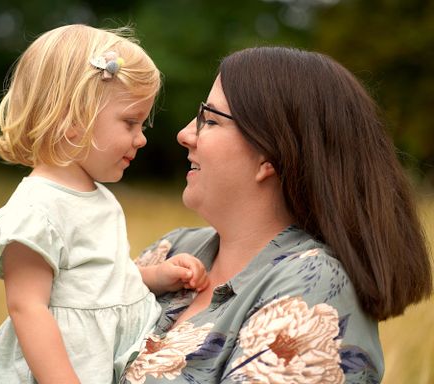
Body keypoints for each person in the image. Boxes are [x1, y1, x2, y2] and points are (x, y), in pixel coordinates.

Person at [122, 46, 433, 383]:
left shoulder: (314, 285)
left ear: (269, 154)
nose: (185, 135)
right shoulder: (174, 248)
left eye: (210, 120)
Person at [0, 24, 209, 384]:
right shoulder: (36, 209)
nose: (141, 140)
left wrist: (154, 278)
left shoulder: (98, 196)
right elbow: (27, 307)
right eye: (131, 123)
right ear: (74, 121)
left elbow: (97, 282)